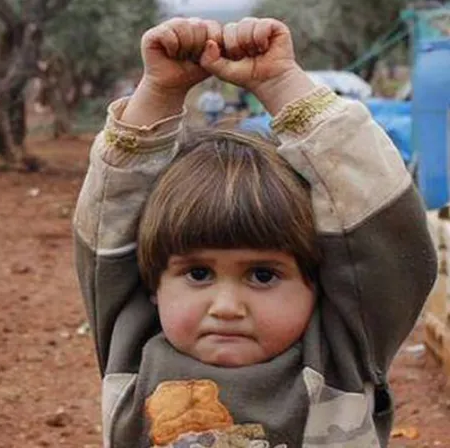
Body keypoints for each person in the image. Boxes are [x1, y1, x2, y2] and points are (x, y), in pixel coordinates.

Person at [73, 17, 436, 448]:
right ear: (152, 284)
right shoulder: (130, 349)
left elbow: (385, 225)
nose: (226, 307)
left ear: (317, 284)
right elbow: (109, 224)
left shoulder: (342, 351)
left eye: (263, 275)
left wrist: (282, 84)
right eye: (198, 274)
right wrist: (158, 94)